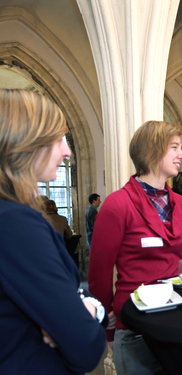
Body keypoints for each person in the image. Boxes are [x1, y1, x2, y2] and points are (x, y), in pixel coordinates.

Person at [0, 89, 106, 374]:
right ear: (26, 142)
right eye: (58, 139)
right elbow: (86, 346)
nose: (67, 151)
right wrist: (91, 312)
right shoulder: (15, 223)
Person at [88, 120, 182, 375]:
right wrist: (106, 321)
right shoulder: (117, 205)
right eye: (175, 147)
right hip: (135, 325)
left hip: (176, 319)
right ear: (154, 150)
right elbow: (99, 272)